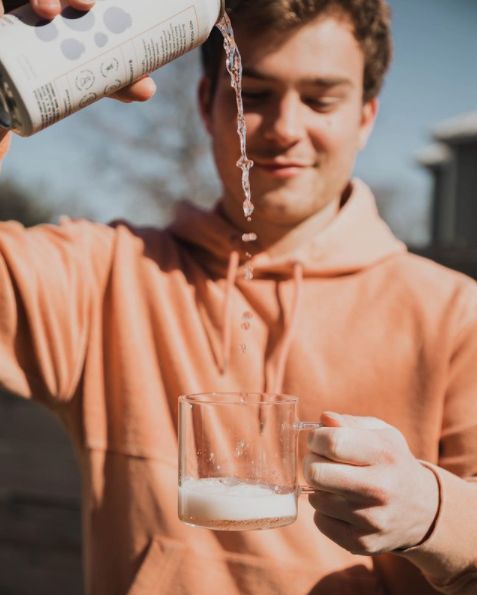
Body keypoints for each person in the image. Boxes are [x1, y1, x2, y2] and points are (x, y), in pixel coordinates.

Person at [0, 0, 476, 593]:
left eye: (322, 98)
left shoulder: (457, 315)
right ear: (207, 104)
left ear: (365, 116)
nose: (284, 129)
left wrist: (432, 512)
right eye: (255, 95)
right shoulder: (104, 275)